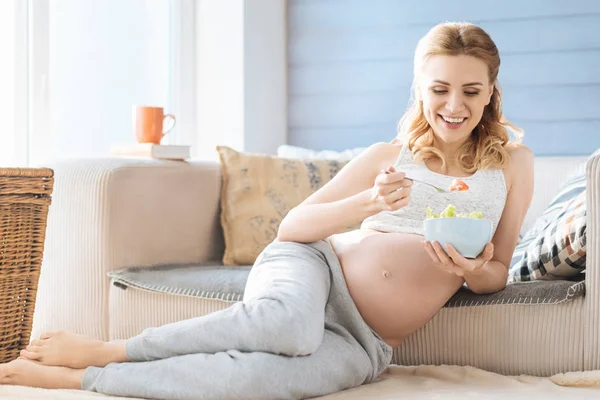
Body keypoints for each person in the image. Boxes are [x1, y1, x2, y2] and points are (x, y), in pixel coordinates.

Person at [1, 21, 533, 399]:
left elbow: (496, 272)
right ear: (420, 91)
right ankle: (108, 351)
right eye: (439, 89)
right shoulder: (385, 158)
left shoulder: (513, 164)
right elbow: (293, 228)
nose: (454, 105)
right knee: (288, 326)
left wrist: (469, 270)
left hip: (365, 339)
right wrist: (369, 200)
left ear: (491, 93)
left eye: (471, 90)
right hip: (315, 269)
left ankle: (81, 382)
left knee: (254, 383)